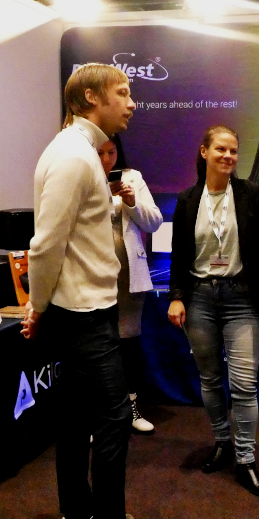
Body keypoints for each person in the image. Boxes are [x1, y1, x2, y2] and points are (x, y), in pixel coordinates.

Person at [20, 63, 139, 519]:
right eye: (123, 92)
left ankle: (77, 514)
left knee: (73, 416)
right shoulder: (73, 156)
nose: (131, 103)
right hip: (84, 316)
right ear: (91, 97)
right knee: (114, 422)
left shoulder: (78, 150)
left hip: (82, 311)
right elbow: (45, 244)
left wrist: (42, 307)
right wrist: (37, 306)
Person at [167, 125, 259, 498]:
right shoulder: (188, 199)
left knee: (244, 385)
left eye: (233, 150)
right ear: (204, 152)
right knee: (211, 379)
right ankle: (222, 442)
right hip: (199, 297)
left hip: (241, 298)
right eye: (221, 149)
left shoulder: (250, 195)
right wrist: (176, 296)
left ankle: (246, 460)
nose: (228, 156)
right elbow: (179, 253)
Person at [98, 135, 162, 434]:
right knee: (98, 346)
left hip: (129, 275)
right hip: (94, 275)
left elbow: (154, 222)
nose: (107, 159)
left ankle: (131, 406)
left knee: (129, 343)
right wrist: (104, 197)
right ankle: (100, 413)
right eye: (100, 152)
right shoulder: (81, 176)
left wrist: (132, 202)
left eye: (111, 152)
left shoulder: (132, 177)